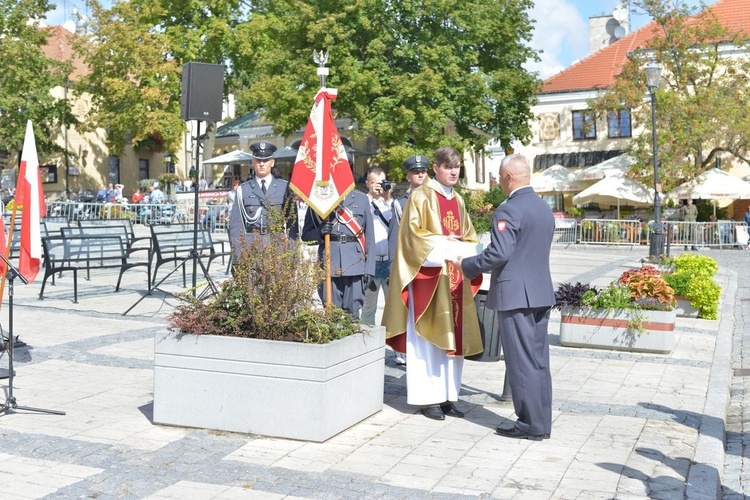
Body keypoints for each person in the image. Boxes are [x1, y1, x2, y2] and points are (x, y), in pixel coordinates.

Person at [456, 154, 554, 441]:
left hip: (515, 294)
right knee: (537, 361)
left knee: (519, 362)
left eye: (499, 177)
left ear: (510, 178)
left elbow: (499, 253)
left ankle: (528, 424)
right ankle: (541, 421)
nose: (498, 183)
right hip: (539, 292)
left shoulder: (509, 210)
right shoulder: (542, 207)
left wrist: (467, 265)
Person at [382, 146, 483, 420]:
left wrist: (468, 249)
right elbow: (412, 238)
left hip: (454, 280)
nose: (453, 171)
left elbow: (469, 235)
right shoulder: (421, 197)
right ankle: (428, 399)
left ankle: (449, 395)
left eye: (457, 166)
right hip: (428, 279)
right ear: (436, 168)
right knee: (427, 341)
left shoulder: (459, 200)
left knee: (453, 340)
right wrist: (442, 243)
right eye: (448, 166)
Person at [301, 153, 375, 319]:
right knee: (331, 314)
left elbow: (370, 239)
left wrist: (369, 269)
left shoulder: (361, 199)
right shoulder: (318, 201)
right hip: (329, 264)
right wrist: (319, 233)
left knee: (353, 314)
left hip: (355, 265)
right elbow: (305, 236)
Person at [388, 154, 431, 365]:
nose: (420, 174)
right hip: (409, 263)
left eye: (423, 171)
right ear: (408, 176)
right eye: (415, 172)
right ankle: (404, 348)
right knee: (408, 305)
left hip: (431, 263)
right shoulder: (400, 203)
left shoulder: (435, 197)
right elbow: (396, 236)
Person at [229, 142, 298, 255]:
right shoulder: (244, 190)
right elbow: (236, 226)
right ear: (252, 162)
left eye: (265, 161)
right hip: (252, 248)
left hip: (277, 248)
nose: (261, 164)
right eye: (258, 160)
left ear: (272, 163)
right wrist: (238, 255)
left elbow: (292, 224)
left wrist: (292, 253)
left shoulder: (284, 188)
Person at [361, 167, 396, 325]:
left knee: (394, 307)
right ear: (367, 183)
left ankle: (392, 344)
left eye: (382, 183)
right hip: (371, 263)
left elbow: (399, 223)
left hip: (389, 262)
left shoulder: (391, 204)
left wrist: (387, 196)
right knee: (369, 308)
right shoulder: (362, 202)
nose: (378, 186)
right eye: (374, 183)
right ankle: (368, 344)